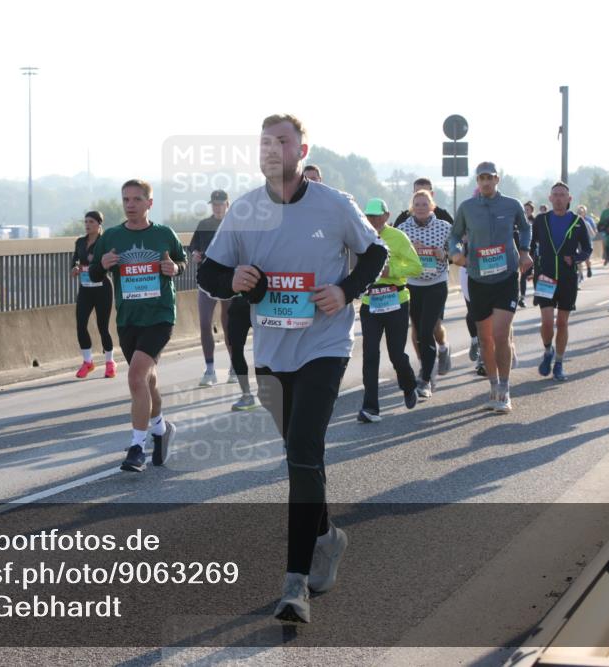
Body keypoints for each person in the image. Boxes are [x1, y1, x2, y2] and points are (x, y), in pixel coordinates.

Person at [198, 114, 387, 624]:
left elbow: (376, 254)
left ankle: (295, 585)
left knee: (304, 448)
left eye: (283, 140)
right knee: (298, 456)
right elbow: (209, 272)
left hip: (325, 343)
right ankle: (328, 536)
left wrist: (345, 290)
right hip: (272, 351)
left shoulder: (334, 204)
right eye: (265, 142)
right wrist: (234, 278)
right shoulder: (245, 210)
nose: (274, 148)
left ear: (302, 149)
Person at [89, 180, 185, 471]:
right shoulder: (112, 236)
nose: (130, 204)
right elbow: (93, 271)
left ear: (149, 203)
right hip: (128, 319)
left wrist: (175, 268)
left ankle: (136, 447)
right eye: (126, 200)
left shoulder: (163, 234)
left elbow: (181, 263)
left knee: (135, 376)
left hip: (159, 317)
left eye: (136, 199)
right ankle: (161, 429)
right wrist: (102, 264)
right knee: (146, 380)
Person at [448, 161, 533, 413]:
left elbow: (526, 228)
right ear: (477, 181)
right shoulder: (467, 208)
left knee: (500, 334)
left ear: (497, 179)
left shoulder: (511, 204)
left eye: (490, 177)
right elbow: (454, 235)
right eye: (481, 178)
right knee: (485, 340)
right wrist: (455, 253)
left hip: (506, 276)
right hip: (478, 278)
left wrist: (525, 252)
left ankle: (505, 390)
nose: (485, 182)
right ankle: (493, 387)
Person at [358, 198, 422, 416]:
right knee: (370, 355)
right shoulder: (360, 236)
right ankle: (370, 407)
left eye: (377, 215)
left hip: (396, 300)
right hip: (370, 303)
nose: (373, 219)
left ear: (387, 216)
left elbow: (416, 266)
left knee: (396, 354)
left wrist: (390, 270)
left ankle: (409, 384)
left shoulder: (398, 237)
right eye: (369, 215)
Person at [530, 182, 592, 381]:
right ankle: (548, 350)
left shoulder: (578, 221)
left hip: (567, 278)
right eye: (555, 195)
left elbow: (587, 249)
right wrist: (535, 265)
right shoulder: (541, 220)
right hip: (545, 277)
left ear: (569, 199)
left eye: (562, 195)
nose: (558, 198)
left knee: (562, 323)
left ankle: (558, 362)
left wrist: (574, 259)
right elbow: (530, 246)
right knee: (547, 322)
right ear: (550, 198)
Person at [393, 177, 454, 367]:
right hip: (412, 282)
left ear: (432, 201)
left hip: (436, 280)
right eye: (416, 201)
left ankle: (443, 346)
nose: (420, 206)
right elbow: (393, 252)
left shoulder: (444, 220)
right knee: (418, 328)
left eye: (425, 201)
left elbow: (456, 250)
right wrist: (411, 249)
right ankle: (425, 367)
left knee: (432, 327)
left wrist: (442, 254)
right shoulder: (402, 223)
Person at [189, 190, 233, 386]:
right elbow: (193, 247)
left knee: (229, 324)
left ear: (227, 204)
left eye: (220, 203)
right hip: (207, 280)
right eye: (214, 204)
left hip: (229, 279)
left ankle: (234, 367)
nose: (216, 207)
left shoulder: (235, 224)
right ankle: (209, 370)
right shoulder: (204, 224)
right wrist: (195, 255)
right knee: (205, 323)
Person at [71, 211, 116, 379]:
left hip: (102, 287)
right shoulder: (80, 242)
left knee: (102, 327)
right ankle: (87, 362)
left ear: (99, 224)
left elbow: (111, 263)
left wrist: (96, 261)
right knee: (81, 324)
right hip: (85, 288)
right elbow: (75, 259)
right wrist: (74, 267)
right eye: (85, 222)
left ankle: (110, 362)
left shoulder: (105, 242)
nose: (87, 225)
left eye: (91, 222)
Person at [518, 201, 537, 307]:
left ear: (531, 211)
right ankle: (522, 298)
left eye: (527, 210)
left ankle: (536, 295)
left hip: (533, 251)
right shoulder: (519, 221)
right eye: (524, 210)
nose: (525, 212)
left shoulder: (536, 221)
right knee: (523, 275)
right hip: (523, 251)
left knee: (534, 274)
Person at [575, 205, 597, 280]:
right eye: (578, 212)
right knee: (578, 260)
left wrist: (587, 237)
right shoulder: (574, 222)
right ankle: (580, 274)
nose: (580, 214)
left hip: (586, 243)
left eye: (581, 212)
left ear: (584, 213)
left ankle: (588, 269)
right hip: (577, 243)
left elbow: (593, 234)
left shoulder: (587, 222)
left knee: (586, 257)